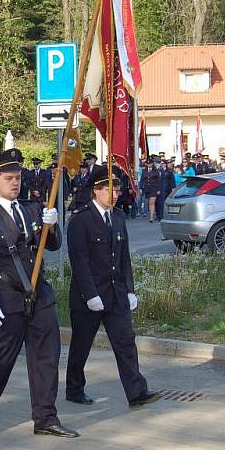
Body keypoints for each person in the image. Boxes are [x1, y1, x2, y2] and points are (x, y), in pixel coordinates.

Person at [0, 148, 78, 438]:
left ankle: (46, 417)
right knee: (0, 361)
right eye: (8, 178)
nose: (15, 183)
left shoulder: (30, 209)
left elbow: (50, 247)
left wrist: (51, 227)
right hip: (7, 298)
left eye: (17, 178)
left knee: (46, 358)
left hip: (39, 295)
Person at [65, 165, 160, 410]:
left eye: (117, 189)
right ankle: (74, 388)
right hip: (89, 295)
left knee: (126, 340)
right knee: (82, 344)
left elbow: (124, 257)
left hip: (115, 292)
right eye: (110, 190)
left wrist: (130, 289)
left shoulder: (117, 217)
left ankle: (136, 391)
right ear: (96, 191)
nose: (115, 194)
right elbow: (79, 261)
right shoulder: (81, 220)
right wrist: (90, 294)